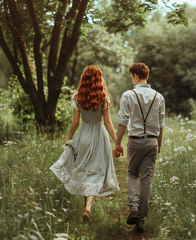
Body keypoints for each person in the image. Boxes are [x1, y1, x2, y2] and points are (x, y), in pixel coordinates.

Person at [50, 65, 120, 222]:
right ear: (99, 79)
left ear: (84, 79)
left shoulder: (77, 97)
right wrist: (117, 142)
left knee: (83, 170)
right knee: (97, 172)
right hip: (99, 136)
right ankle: (88, 207)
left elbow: (75, 122)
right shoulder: (104, 98)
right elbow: (108, 123)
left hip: (83, 136)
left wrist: (69, 137)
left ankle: (86, 208)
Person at [113, 63, 165, 233]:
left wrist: (118, 143)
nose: (131, 80)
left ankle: (133, 208)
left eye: (131, 77)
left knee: (132, 173)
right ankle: (141, 221)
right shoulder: (159, 97)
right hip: (151, 141)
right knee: (147, 180)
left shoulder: (128, 95)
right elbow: (161, 124)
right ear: (147, 76)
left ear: (135, 76)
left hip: (135, 141)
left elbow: (122, 121)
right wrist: (159, 144)